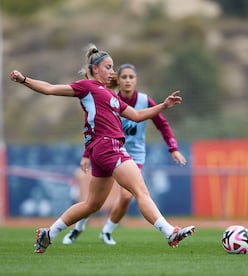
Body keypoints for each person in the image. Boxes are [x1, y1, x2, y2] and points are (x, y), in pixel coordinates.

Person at [9, 44, 195, 254]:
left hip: (101, 150)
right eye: (108, 67)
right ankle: (170, 232)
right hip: (109, 146)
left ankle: (48, 234)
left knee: (92, 204)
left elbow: (136, 115)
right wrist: (24, 80)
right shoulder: (86, 86)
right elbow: (50, 88)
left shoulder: (111, 96)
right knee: (140, 191)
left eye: (112, 67)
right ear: (95, 68)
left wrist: (162, 106)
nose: (111, 72)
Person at [62, 63, 187, 245]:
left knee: (128, 195)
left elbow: (162, 124)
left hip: (134, 155)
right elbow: (92, 126)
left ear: (136, 81)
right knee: (95, 200)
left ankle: (107, 231)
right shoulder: (108, 98)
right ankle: (78, 228)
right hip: (109, 151)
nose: (128, 80)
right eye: (124, 77)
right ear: (117, 81)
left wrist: (173, 148)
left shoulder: (145, 100)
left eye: (131, 77)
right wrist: (86, 154)